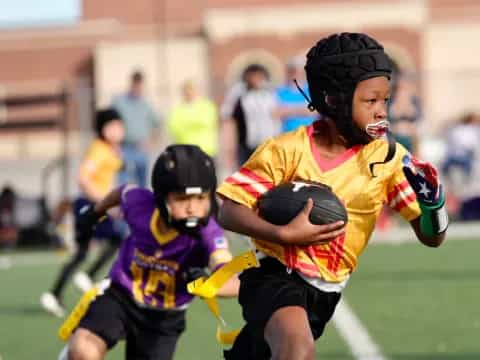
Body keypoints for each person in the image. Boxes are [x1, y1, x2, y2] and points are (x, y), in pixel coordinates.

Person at [216, 32, 448, 360]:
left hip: (325, 294)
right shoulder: (286, 149)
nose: (382, 111)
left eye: (385, 100)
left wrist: (433, 204)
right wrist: (282, 233)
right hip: (274, 274)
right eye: (371, 101)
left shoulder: (389, 159)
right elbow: (229, 210)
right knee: (297, 350)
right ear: (333, 99)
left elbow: (431, 237)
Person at [60, 144, 239, 360]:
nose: (193, 208)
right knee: (82, 350)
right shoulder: (141, 205)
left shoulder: (208, 232)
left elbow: (232, 280)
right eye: (182, 199)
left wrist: (209, 285)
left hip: (164, 319)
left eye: (201, 198)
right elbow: (123, 191)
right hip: (121, 295)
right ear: (162, 198)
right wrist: (95, 212)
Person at [41, 109, 126, 317]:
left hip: (95, 205)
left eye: (119, 125)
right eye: (113, 126)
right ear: (103, 129)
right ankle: (82, 279)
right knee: (113, 240)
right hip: (89, 205)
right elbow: (84, 178)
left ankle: (56, 294)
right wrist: (106, 203)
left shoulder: (112, 149)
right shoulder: (99, 149)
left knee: (88, 250)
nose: (118, 130)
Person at [221, 64, 280, 169]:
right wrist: (229, 148)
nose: (256, 80)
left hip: (268, 144)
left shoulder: (270, 95)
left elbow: (277, 116)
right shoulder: (240, 97)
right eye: (253, 77)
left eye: (259, 77)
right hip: (247, 145)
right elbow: (229, 121)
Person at [112, 70, 161, 187]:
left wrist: (151, 141)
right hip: (123, 147)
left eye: (140, 85)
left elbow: (157, 124)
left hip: (140, 148)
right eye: (135, 84)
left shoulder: (146, 104)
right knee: (122, 182)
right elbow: (112, 122)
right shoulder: (119, 102)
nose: (137, 88)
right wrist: (114, 144)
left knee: (142, 182)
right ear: (131, 84)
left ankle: (141, 205)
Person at [167, 80, 219, 157]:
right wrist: (195, 122)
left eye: (191, 89)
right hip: (186, 152)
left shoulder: (207, 106)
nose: (189, 92)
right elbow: (174, 128)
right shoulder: (177, 110)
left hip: (206, 151)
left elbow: (207, 121)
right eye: (186, 90)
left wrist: (186, 123)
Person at [276, 56, 317, 133]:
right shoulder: (279, 91)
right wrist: (302, 109)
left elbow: (315, 111)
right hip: (287, 134)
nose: (293, 74)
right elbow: (276, 113)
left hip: (309, 134)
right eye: (290, 71)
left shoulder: (310, 90)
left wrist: (288, 110)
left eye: (295, 71)